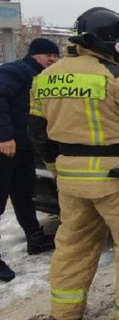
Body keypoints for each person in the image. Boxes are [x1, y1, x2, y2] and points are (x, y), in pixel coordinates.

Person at [27, 7, 119, 320]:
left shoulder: (45, 78)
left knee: (72, 248)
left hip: (70, 181)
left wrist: (59, 171)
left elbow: (38, 133)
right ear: (115, 44)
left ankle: (64, 314)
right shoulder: (116, 76)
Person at [0, 38, 60, 282]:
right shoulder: (15, 71)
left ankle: (35, 238)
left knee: (23, 192)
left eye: (56, 57)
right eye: (49, 56)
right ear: (36, 55)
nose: (53, 61)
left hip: (23, 148)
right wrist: (3, 136)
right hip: (5, 147)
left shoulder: (42, 76)